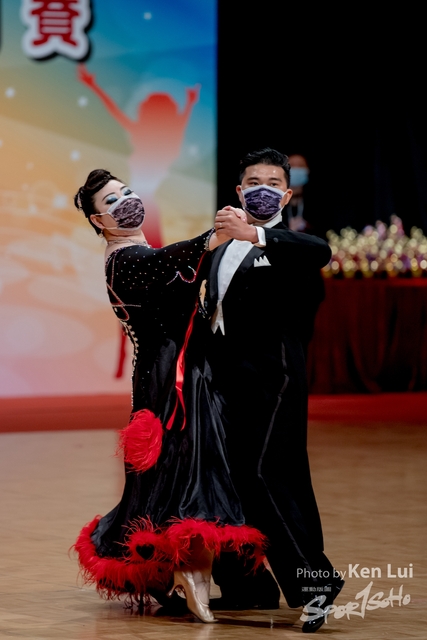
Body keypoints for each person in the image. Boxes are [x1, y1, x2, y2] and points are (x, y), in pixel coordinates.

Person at [72, 169, 266, 624]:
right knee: (185, 473)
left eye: (126, 192)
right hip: (169, 382)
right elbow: (167, 261)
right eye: (112, 201)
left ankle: (185, 573)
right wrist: (213, 236)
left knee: (180, 475)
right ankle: (190, 574)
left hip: (175, 373)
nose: (126, 201)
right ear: (99, 221)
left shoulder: (132, 253)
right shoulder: (126, 259)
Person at [193, 148, 344, 633]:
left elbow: (320, 251)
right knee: (227, 480)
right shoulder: (219, 246)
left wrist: (255, 235)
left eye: (273, 182)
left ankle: (315, 583)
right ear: (239, 191)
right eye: (253, 181)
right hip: (222, 380)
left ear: (287, 193)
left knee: (265, 474)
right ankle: (247, 585)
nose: (262, 188)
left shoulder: (286, 243)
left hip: (274, 377)